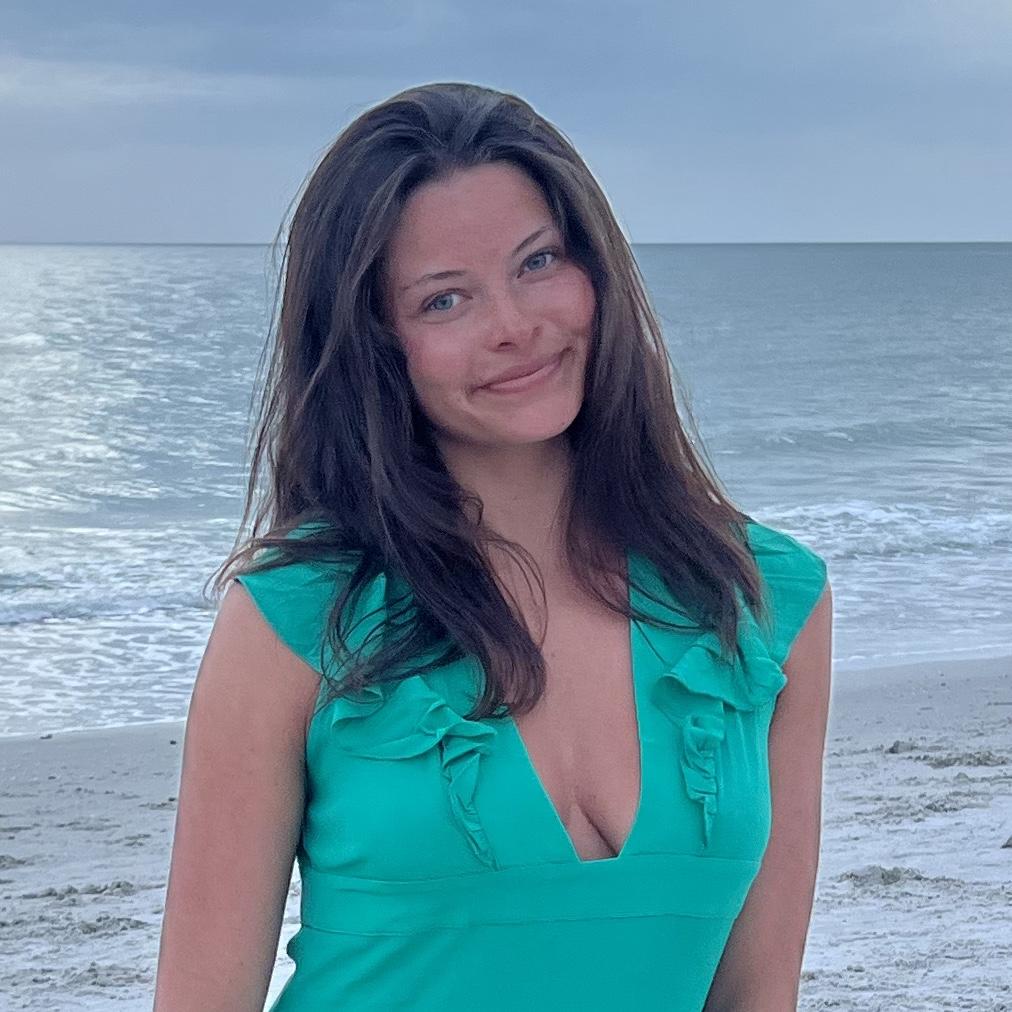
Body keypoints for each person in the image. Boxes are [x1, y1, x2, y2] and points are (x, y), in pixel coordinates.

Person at [154, 81, 832, 1011]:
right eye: (444, 300)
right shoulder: (295, 618)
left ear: (595, 267)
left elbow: (757, 995)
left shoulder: (764, 600)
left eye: (537, 261)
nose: (514, 326)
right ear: (376, 344)